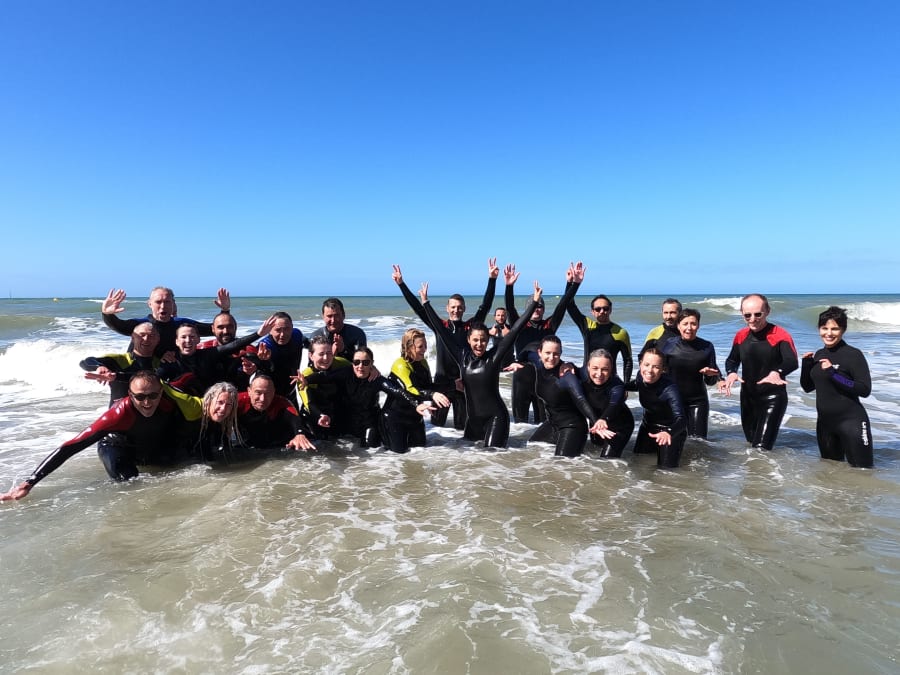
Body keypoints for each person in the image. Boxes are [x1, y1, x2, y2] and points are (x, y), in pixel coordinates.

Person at [0, 371, 200, 500]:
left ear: (161, 393)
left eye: (152, 396)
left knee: (179, 465)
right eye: (139, 397)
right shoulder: (118, 415)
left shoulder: (168, 403)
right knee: (130, 483)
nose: (147, 403)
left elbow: (186, 380)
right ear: (130, 395)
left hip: (146, 445)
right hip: (116, 446)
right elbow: (71, 446)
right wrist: (29, 482)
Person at [421, 279, 542, 448]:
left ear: (488, 340)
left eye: (483, 340)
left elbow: (515, 330)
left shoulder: (493, 357)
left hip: (496, 418)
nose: (479, 344)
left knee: (491, 458)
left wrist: (534, 303)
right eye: (476, 340)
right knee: (470, 462)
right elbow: (441, 330)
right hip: (474, 421)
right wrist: (426, 303)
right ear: (469, 340)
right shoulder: (462, 356)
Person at [392, 259, 499, 430]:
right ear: (447, 308)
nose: (456, 310)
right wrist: (401, 284)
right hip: (442, 384)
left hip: (464, 384)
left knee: (461, 428)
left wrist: (492, 279)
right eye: (453, 307)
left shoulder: (469, 328)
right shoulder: (440, 327)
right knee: (437, 428)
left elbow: (485, 306)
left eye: (459, 307)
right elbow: (419, 309)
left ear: (464, 309)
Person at [300, 347, 432, 448]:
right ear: (352, 363)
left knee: (370, 452)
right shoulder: (346, 373)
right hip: (345, 422)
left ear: (372, 364)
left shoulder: (377, 380)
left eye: (365, 362)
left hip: (368, 423)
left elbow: (398, 391)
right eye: (356, 362)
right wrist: (306, 379)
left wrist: (416, 404)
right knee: (332, 448)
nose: (360, 366)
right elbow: (324, 376)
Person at [503, 262, 582, 423]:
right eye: (535, 306)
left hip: (544, 379)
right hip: (522, 377)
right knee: (520, 424)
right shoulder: (520, 326)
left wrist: (572, 284)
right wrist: (509, 287)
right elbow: (510, 307)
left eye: (540, 306)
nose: (538, 309)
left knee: (544, 422)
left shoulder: (548, 326)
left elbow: (562, 305)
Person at [720, 293, 798, 450]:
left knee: (761, 449)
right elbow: (732, 360)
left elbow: (792, 361)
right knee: (751, 446)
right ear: (742, 314)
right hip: (748, 398)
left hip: (772, 398)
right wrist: (731, 372)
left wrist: (777, 372)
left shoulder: (780, 335)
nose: (753, 319)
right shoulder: (741, 336)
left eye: (758, 314)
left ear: (767, 311)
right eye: (747, 315)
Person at [800, 306, 873, 467]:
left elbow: (864, 389)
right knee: (831, 473)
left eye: (835, 329)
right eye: (824, 328)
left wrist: (834, 374)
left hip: (852, 422)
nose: (829, 333)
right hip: (825, 424)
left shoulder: (853, 355)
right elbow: (807, 387)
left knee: (864, 474)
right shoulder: (819, 354)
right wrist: (806, 365)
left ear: (843, 330)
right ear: (819, 329)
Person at [194, 377, 315, 462]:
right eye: (258, 393)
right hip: (248, 448)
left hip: (277, 448)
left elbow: (294, 418)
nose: (262, 399)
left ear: (274, 393)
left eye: (267, 393)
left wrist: (300, 434)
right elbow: (217, 418)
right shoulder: (237, 401)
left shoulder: (281, 403)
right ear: (249, 391)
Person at [157, 316, 276, 396]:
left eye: (192, 337)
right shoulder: (170, 359)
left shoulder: (208, 354)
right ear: (176, 341)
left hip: (211, 403)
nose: (188, 340)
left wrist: (258, 334)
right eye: (183, 337)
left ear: (198, 339)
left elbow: (233, 345)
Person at [101, 286, 231, 356]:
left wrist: (225, 311)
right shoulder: (141, 325)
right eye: (158, 302)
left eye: (167, 302)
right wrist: (107, 314)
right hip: (142, 377)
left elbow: (216, 330)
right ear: (149, 304)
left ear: (173, 305)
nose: (163, 306)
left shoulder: (181, 325)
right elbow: (118, 326)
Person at [382, 328, 451, 453]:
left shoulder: (423, 362)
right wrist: (432, 394)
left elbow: (428, 386)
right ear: (408, 348)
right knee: (398, 456)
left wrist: (452, 385)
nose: (424, 349)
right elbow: (411, 389)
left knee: (420, 454)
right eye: (420, 346)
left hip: (415, 417)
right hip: (395, 419)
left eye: (425, 345)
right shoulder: (400, 364)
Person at [526, 336, 597, 457]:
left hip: (572, 426)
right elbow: (525, 352)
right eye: (547, 353)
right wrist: (517, 362)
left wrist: (596, 422)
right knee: (532, 447)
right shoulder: (537, 364)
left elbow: (580, 399)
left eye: (556, 354)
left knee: (560, 462)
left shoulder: (566, 375)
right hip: (553, 423)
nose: (551, 358)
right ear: (539, 352)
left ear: (561, 354)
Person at [659, 308, 722, 439]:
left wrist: (711, 376)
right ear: (678, 326)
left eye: (693, 323)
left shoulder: (707, 347)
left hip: (697, 401)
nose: (689, 328)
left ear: (698, 325)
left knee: (698, 441)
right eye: (685, 324)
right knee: (672, 439)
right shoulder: (669, 345)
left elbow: (710, 380)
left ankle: (697, 461)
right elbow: (659, 370)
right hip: (673, 400)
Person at [565, 266, 634, 382]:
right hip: (587, 379)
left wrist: (626, 385)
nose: (602, 311)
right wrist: (571, 283)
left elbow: (628, 361)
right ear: (592, 312)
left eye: (605, 308)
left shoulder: (620, 332)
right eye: (598, 309)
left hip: (610, 381)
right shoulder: (588, 326)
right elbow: (569, 304)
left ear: (610, 310)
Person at [628, 347, 688, 468]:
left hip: (669, 430)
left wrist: (669, 432)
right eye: (646, 365)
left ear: (663, 369)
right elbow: (635, 385)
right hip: (648, 426)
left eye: (656, 367)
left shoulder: (670, 389)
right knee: (637, 462)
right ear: (640, 365)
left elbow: (682, 419)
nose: (649, 370)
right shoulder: (641, 376)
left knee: (665, 472)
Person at [80, 321, 162, 405]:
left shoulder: (161, 364)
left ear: (158, 340)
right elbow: (86, 362)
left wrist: (116, 377)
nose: (146, 339)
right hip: (118, 414)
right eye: (141, 335)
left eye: (151, 336)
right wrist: (98, 367)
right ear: (133, 338)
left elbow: (147, 378)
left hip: (149, 413)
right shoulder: (119, 360)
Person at [579, 349, 635, 458]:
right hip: (597, 421)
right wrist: (568, 365)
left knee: (607, 460)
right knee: (594, 449)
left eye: (605, 369)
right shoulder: (582, 375)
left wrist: (603, 419)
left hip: (619, 426)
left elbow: (614, 404)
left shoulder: (617, 386)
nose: (599, 374)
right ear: (588, 367)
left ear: (611, 370)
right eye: (595, 368)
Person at [297, 334, 352, 439]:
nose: (326, 358)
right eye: (321, 354)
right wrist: (320, 415)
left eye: (329, 353)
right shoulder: (304, 376)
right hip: (315, 416)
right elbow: (309, 404)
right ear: (311, 356)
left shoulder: (341, 363)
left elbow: (360, 367)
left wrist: (372, 368)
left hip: (336, 413)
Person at [256, 311, 306, 402]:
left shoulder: (297, 335)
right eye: (278, 330)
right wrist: (264, 361)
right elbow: (260, 374)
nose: (283, 334)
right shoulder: (265, 346)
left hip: (296, 380)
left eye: (287, 329)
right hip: (275, 384)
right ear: (270, 331)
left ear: (292, 327)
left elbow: (311, 347)